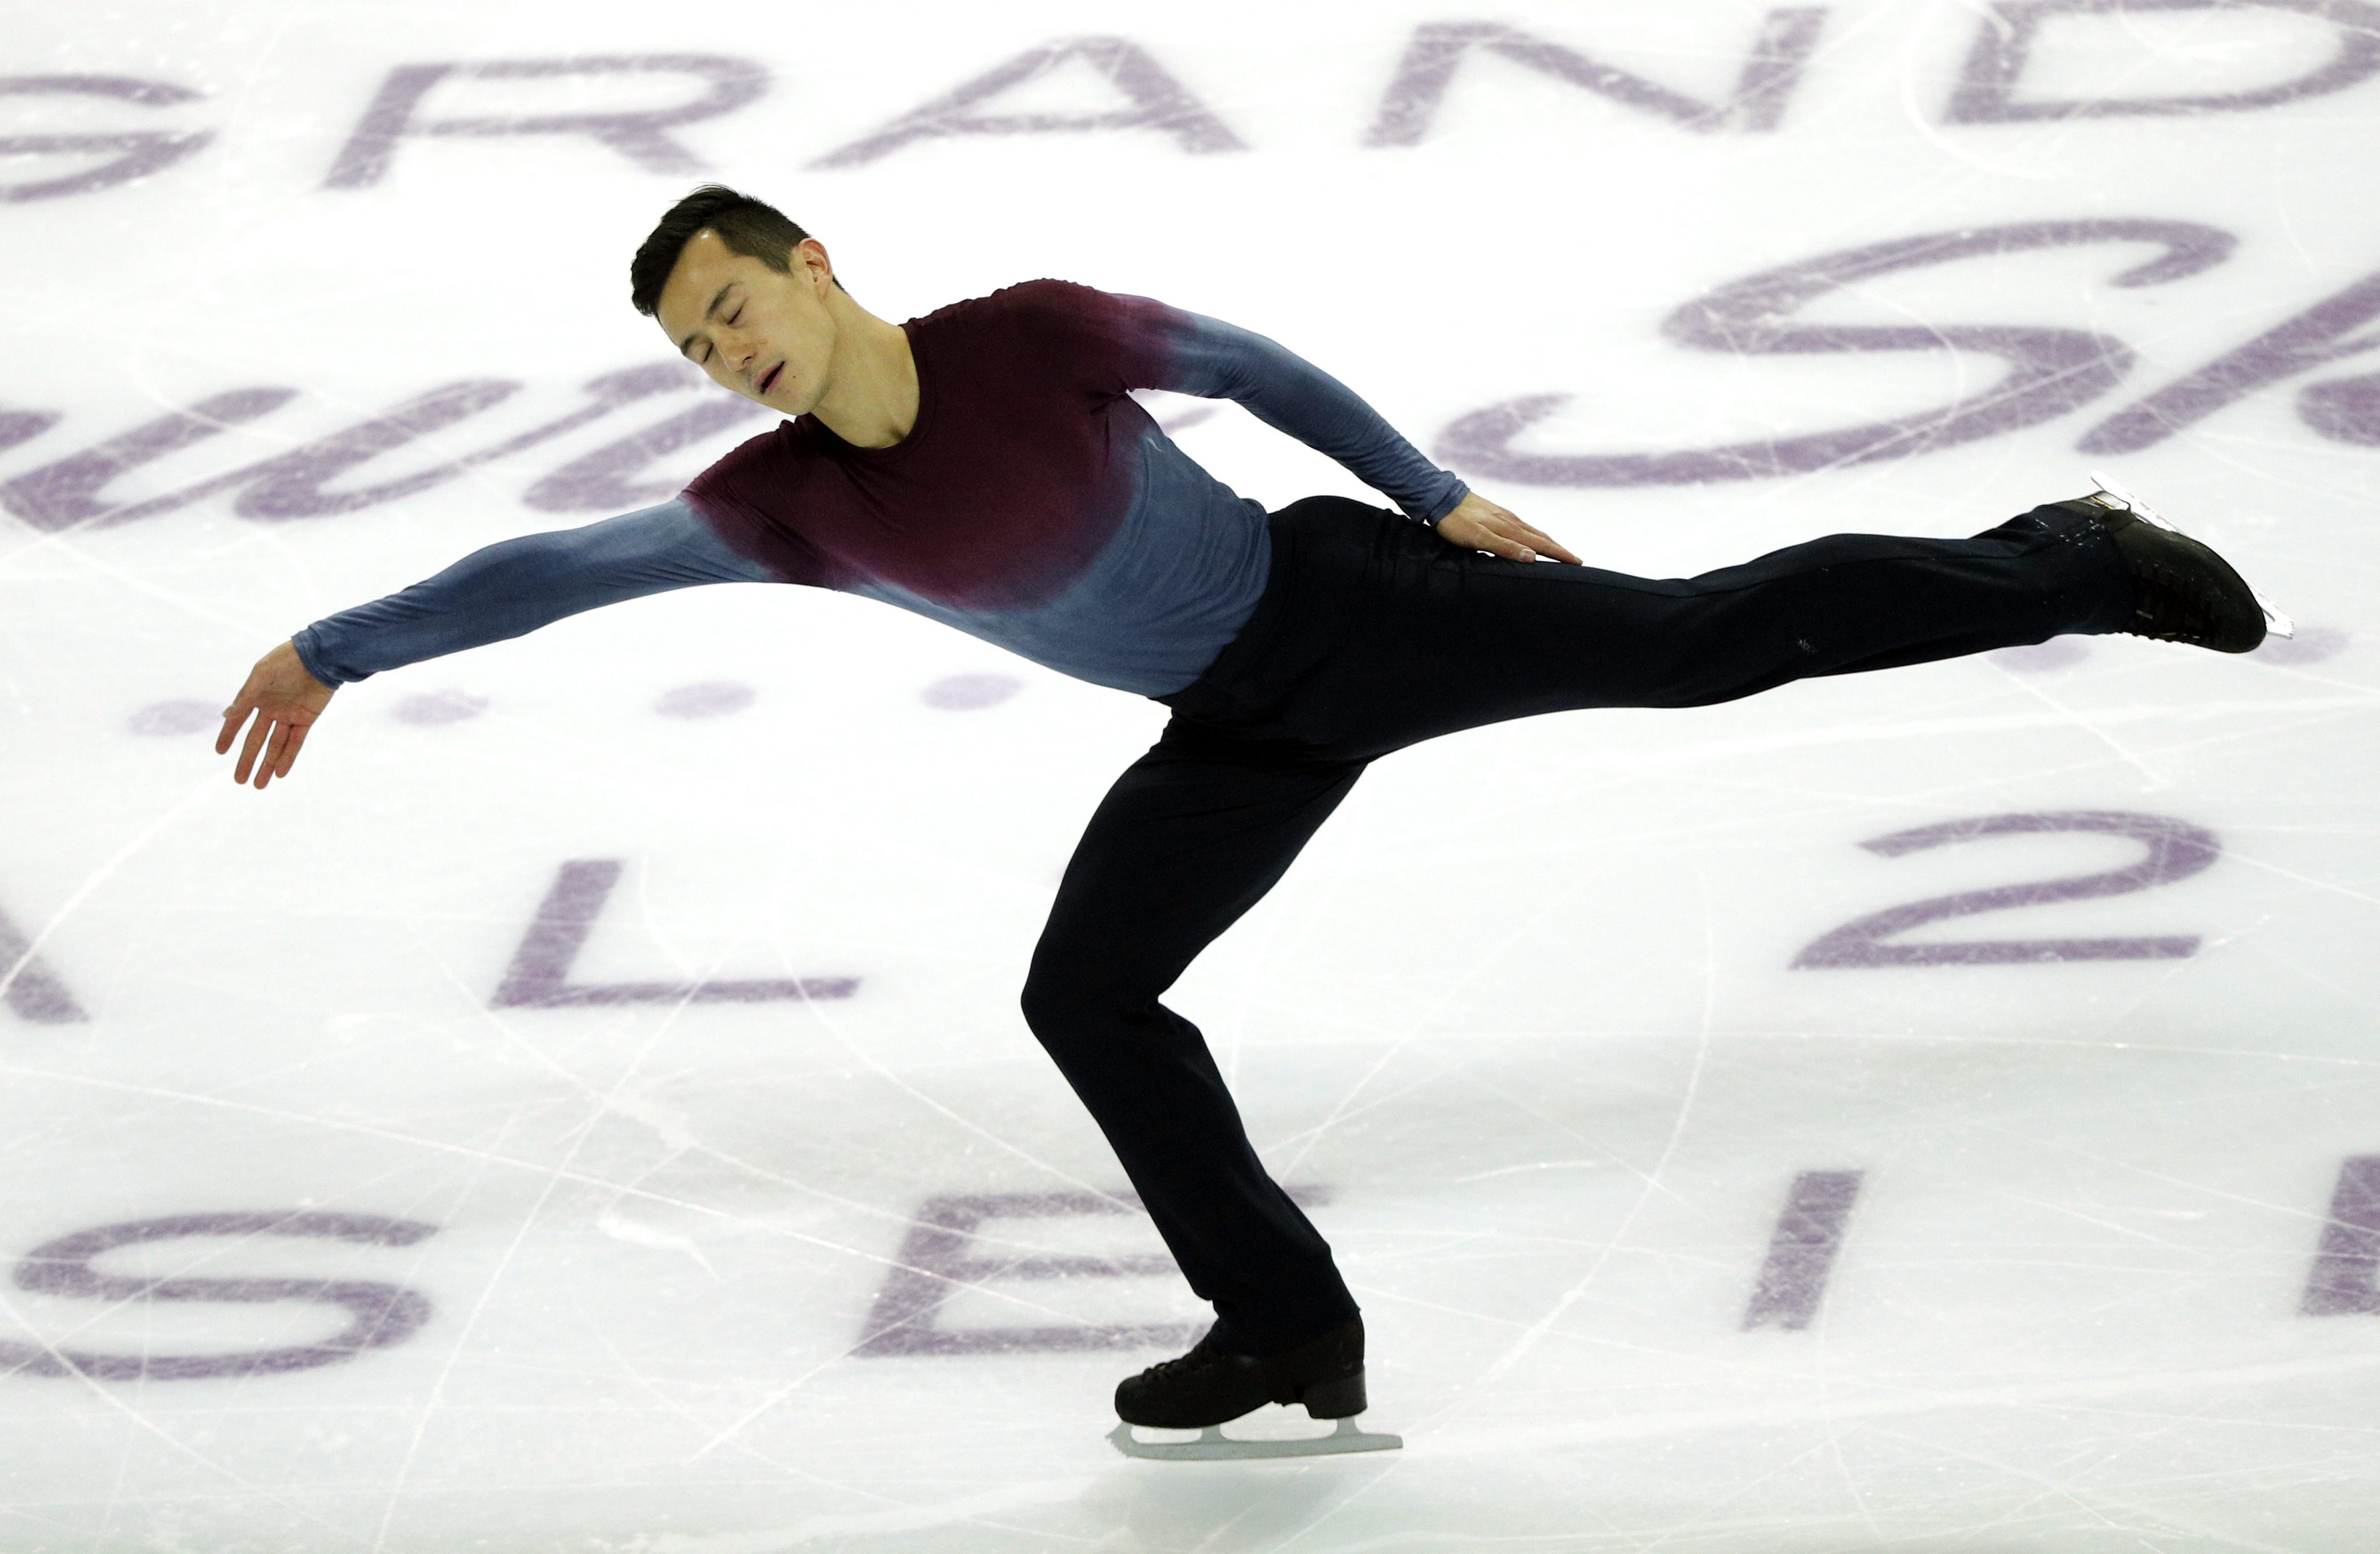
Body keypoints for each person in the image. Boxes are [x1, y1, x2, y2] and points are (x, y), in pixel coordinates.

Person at [217, 184, 2287, 1454]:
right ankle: (1288, 1322)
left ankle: (2070, 554)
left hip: (1352, 609)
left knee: (1706, 640)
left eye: (732, 310)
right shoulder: (780, 511)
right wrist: (339, 644)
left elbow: (1249, 362)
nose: (725, 359)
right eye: (693, 351)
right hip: (1234, 728)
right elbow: (560, 569)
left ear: (810, 261)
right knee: (1090, 994)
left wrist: (1429, 492)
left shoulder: (1020, 339)